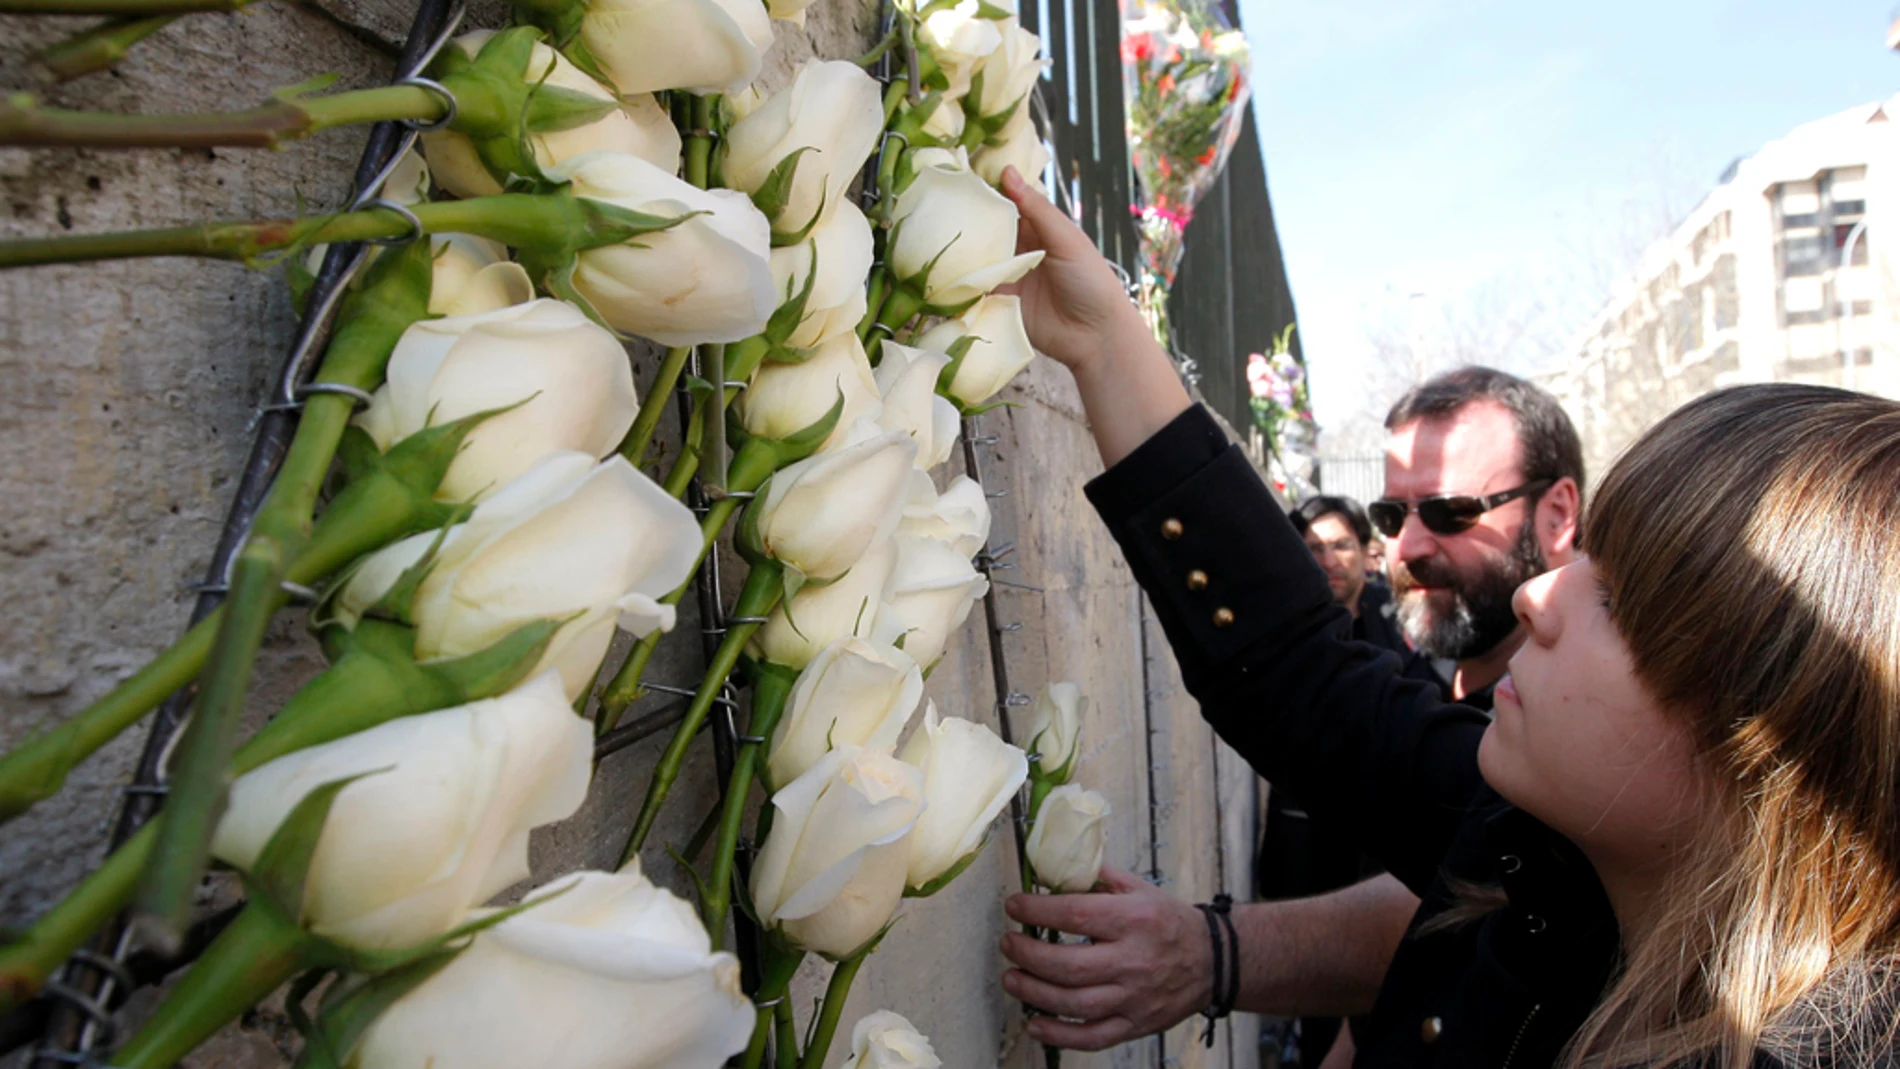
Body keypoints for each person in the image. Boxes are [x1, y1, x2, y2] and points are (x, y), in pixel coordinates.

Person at [990, 164, 1900, 1067]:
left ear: (1772, 743)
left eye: (1618, 601)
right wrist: (1105, 340)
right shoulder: (1557, 848)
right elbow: (1307, 676)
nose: (1543, 595)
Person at [1374, 367, 1584, 710]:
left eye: (1449, 512)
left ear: (1557, 515)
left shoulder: (1614, 715)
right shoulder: (1405, 672)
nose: (1408, 547)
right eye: (1390, 516)